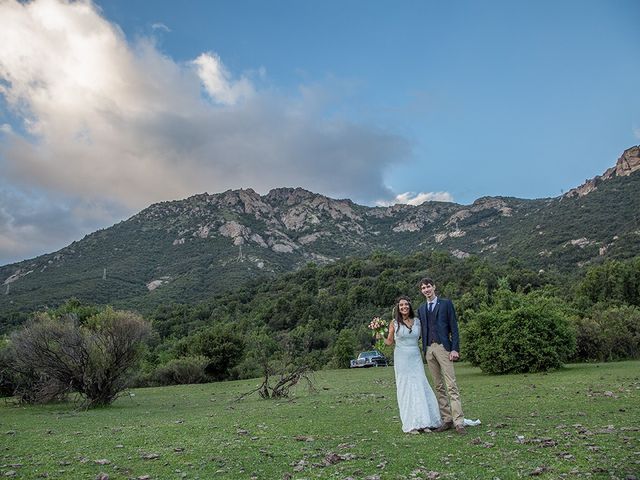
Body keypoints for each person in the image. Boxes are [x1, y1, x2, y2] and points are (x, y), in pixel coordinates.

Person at [380, 296, 442, 433]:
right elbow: (390, 342)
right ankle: (412, 424)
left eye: (406, 305)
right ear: (398, 307)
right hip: (401, 357)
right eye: (401, 305)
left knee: (420, 385)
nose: (404, 307)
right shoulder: (394, 323)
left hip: (415, 356)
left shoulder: (418, 322)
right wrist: (379, 335)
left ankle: (426, 422)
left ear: (409, 306)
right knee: (406, 388)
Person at [417, 277, 466, 435]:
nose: (426, 290)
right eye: (424, 288)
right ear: (421, 291)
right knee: (438, 386)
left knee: (451, 385)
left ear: (434, 287)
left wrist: (454, 348)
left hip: (444, 348)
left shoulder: (446, 304)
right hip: (429, 349)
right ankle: (447, 419)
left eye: (428, 287)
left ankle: (459, 421)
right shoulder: (421, 309)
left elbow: (454, 327)